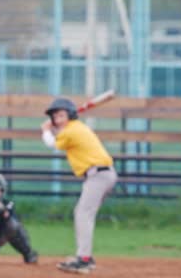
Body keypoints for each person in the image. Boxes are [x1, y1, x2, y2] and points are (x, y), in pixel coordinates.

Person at [41, 98, 118, 275]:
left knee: (83, 214)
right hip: (101, 175)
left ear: (71, 115)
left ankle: (83, 260)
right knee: (85, 214)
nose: (58, 119)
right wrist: (53, 128)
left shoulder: (72, 130)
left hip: (98, 175)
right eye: (55, 116)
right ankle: (85, 257)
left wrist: (45, 130)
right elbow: (60, 136)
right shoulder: (75, 128)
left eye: (61, 115)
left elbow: (52, 144)